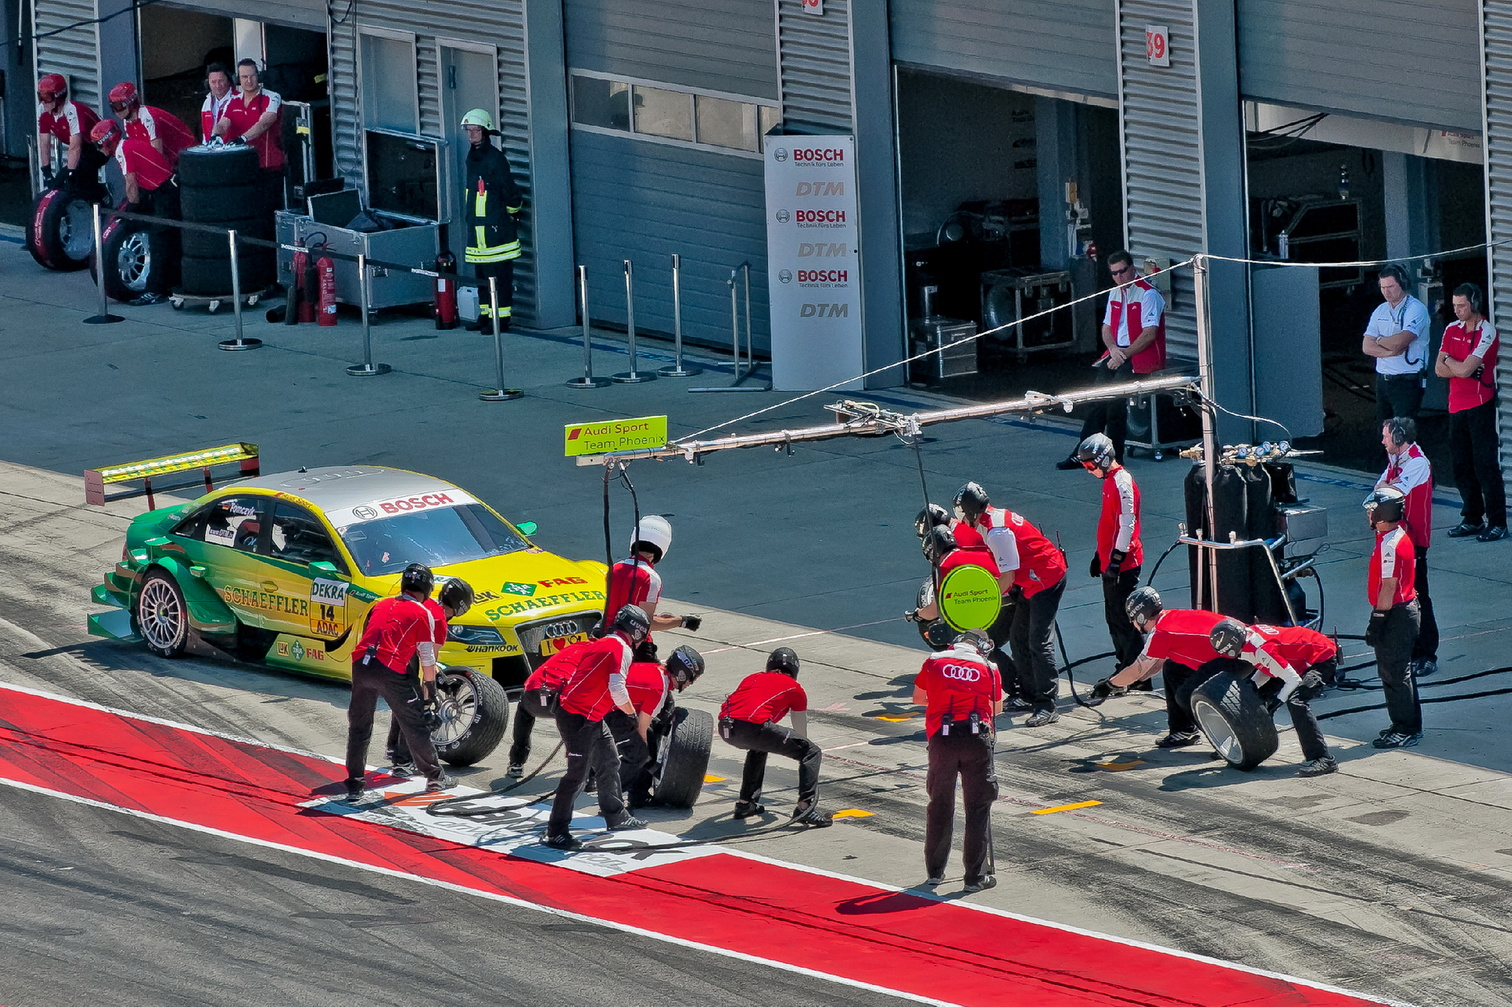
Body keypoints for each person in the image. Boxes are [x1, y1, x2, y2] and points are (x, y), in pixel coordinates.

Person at [952, 482, 1067, 727]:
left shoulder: (997, 532)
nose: (961, 521)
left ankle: (1047, 703)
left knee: (1038, 640)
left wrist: (986, 602)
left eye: (962, 515)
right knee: (1017, 637)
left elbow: (1007, 577)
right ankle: (1027, 693)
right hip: (1030, 581)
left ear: (972, 512)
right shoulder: (991, 521)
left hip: (1046, 578)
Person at [343, 563, 458, 801]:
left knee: (359, 727)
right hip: (390, 669)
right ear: (427, 588)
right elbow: (427, 658)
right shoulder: (422, 612)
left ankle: (354, 786)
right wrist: (430, 693)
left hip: (361, 664)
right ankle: (435, 777)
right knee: (414, 724)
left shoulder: (381, 604)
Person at [543, 605, 651, 848]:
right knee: (576, 777)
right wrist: (632, 714)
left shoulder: (602, 643)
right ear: (636, 632)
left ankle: (615, 815)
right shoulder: (621, 649)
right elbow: (616, 687)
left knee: (610, 760)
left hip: (588, 715)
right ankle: (556, 831)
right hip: (578, 717)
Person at [1056, 250, 1165, 469]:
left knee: (1115, 402)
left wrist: (1123, 354)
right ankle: (1084, 451)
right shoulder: (1115, 293)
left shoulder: (1148, 294)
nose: (1119, 277)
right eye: (1114, 273)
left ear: (1132, 268)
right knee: (1097, 398)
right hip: (1117, 353)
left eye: (1122, 271)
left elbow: (1149, 334)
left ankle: (1115, 457)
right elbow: (1106, 328)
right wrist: (1114, 349)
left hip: (1138, 356)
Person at [914, 629, 1003, 893]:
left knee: (939, 804)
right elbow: (997, 708)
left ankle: (935, 873)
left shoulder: (934, 660)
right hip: (977, 738)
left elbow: (919, 698)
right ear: (983, 646)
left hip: (942, 737)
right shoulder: (989, 667)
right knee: (977, 808)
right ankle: (974, 878)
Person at [1085, 587, 1225, 749]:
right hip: (1232, 652)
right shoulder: (1170, 617)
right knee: (1173, 668)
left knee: (1186, 696)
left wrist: (1109, 685)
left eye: (1133, 619)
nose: (1134, 624)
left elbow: (1138, 667)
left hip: (1228, 662)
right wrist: (1134, 682)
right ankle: (1184, 731)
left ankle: (1223, 739)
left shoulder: (1160, 633)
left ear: (1141, 617)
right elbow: (1157, 663)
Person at [1209, 619, 1340, 777]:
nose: (1233, 656)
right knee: (1254, 696)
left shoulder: (1260, 648)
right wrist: (1253, 684)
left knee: (1296, 701)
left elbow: (1293, 680)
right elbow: (1267, 666)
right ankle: (1245, 745)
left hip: (1320, 657)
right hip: (1294, 659)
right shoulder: (1249, 638)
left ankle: (1323, 758)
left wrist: (1277, 703)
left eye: (1230, 652)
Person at [718, 648, 830, 826]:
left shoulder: (753, 677)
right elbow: (801, 734)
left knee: (758, 748)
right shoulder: (795, 688)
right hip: (752, 726)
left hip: (726, 727)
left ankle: (745, 804)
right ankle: (805, 808)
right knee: (812, 751)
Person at [1436, 283, 1507, 543]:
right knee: (1461, 465)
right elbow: (1438, 368)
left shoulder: (1487, 331)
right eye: (1454, 305)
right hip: (1455, 405)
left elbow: (1465, 370)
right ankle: (1472, 518)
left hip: (1480, 405)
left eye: (1462, 305)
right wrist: (1459, 366)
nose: (1457, 310)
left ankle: (1498, 521)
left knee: (1485, 465)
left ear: (1474, 304)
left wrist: (1454, 365)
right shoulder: (1450, 329)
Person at [386, 577, 475, 774]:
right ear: (461, 607)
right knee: (415, 708)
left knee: (402, 704)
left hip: (385, 654)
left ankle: (392, 749)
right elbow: (429, 664)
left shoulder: (427, 602)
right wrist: (427, 701)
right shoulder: (440, 620)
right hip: (404, 659)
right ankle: (403, 761)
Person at [1077, 433, 1147, 679]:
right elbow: (1110, 524)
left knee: (1125, 622)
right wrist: (1100, 555)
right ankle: (1125, 665)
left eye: (1090, 465)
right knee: (1113, 619)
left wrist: (1116, 561)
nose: (1088, 471)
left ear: (1104, 460)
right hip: (1111, 562)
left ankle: (1136, 674)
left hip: (1124, 564)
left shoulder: (1122, 482)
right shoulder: (1109, 481)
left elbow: (1127, 525)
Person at [1375, 417, 1437, 678]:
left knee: (1419, 596)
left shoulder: (1417, 463)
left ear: (1399, 438)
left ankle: (1426, 652)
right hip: (1396, 540)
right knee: (1401, 597)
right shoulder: (1396, 462)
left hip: (1413, 542)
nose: (1382, 441)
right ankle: (1409, 649)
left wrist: (1385, 488)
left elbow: (1391, 493)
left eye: (1386, 436)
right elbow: (1378, 488)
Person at [1363, 486, 1423, 749]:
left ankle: (1406, 728)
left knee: (1396, 674)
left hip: (1396, 614)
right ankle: (1402, 722)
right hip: (1398, 612)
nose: (1368, 515)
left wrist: (1377, 619)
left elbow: (1389, 586)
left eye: (1371, 510)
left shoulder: (1390, 544)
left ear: (1382, 513)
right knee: (1393, 672)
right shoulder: (1390, 536)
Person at [459, 108, 524, 333]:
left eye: (475, 130)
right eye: (468, 130)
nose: (471, 135)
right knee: (481, 276)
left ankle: (501, 319)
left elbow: (510, 191)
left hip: (496, 231)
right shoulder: (472, 157)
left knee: (499, 278)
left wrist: (512, 213)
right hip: (477, 229)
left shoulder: (495, 159)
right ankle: (486, 314)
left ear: (485, 131)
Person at [616, 644, 705, 807]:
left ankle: (638, 793)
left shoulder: (655, 669)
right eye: (692, 678)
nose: (690, 683)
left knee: (652, 734)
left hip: (610, 706)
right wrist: (653, 764)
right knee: (639, 753)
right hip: (604, 711)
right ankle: (612, 798)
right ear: (682, 674)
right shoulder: (659, 688)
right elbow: (641, 729)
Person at [605, 515, 701, 659]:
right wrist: (682, 621)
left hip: (607, 637)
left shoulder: (614, 568)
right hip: (636, 646)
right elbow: (646, 624)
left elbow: (621, 609)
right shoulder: (650, 577)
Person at [1362, 264, 1430, 426]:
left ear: (1403, 284)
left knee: (1403, 432)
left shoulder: (1416, 309)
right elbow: (1366, 346)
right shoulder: (1380, 310)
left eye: (1391, 286)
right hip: (1383, 380)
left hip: (1406, 380)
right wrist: (1389, 352)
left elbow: (1401, 341)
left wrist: (1379, 340)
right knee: (1384, 432)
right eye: (1383, 287)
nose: (1386, 291)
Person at [215, 59, 284, 204]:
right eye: (244, 77)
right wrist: (215, 136)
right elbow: (223, 123)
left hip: (268, 166)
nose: (249, 80)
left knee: (268, 208)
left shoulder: (272, 97)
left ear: (258, 76)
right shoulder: (232, 101)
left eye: (252, 76)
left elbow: (265, 122)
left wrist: (243, 138)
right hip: (241, 166)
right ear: (237, 79)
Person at [107, 82, 195, 167]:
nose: (116, 112)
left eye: (119, 106)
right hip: (173, 160)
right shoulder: (127, 121)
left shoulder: (148, 118)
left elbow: (157, 155)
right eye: (113, 107)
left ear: (130, 103)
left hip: (187, 156)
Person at [36, 73, 100, 179]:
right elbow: (44, 143)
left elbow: (75, 146)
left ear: (58, 96)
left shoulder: (72, 110)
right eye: (40, 97)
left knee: (78, 175)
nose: (43, 102)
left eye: (47, 98)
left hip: (98, 144)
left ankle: (101, 192)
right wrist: (46, 171)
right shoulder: (42, 110)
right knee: (61, 181)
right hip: (83, 146)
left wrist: (70, 174)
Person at [199, 63, 236, 144]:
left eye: (221, 81)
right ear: (208, 83)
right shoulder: (207, 102)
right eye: (213, 82)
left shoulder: (238, 99)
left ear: (229, 81)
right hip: (212, 151)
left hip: (233, 149)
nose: (217, 85)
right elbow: (205, 133)